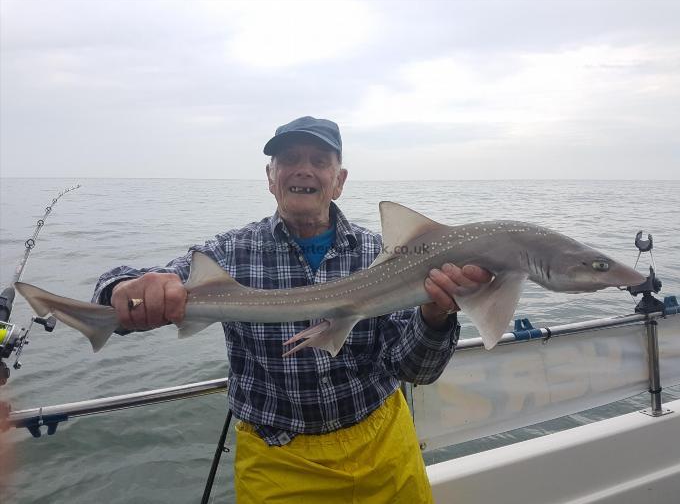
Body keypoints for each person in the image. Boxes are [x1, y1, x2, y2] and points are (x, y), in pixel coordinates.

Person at [93, 116, 492, 503]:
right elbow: (146, 284)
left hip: (383, 445)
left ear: (339, 181)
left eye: (319, 161)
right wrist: (125, 291)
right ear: (270, 177)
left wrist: (437, 314)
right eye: (289, 160)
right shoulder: (230, 253)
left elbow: (416, 371)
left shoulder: (385, 258)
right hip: (278, 460)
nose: (303, 170)